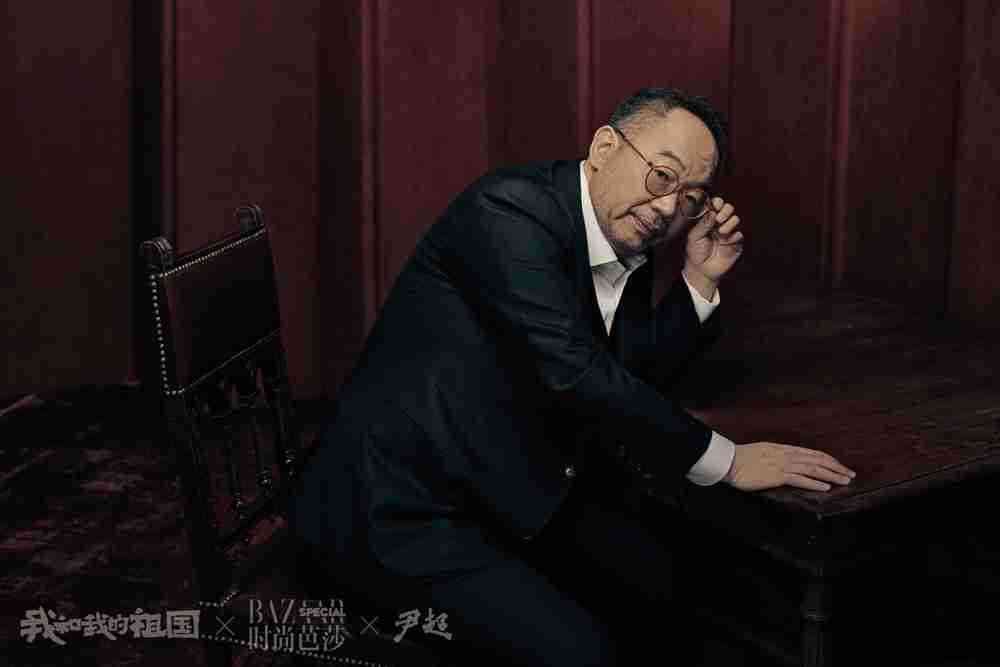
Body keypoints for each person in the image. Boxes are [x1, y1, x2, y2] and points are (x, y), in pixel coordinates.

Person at [292, 87, 856, 665]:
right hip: (398, 508)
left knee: (669, 587)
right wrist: (729, 461)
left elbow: (626, 375)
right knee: (585, 654)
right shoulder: (508, 212)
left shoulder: (624, 233)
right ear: (606, 147)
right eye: (662, 175)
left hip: (508, 482)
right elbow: (578, 374)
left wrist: (699, 280)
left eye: (691, 196)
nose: (669, 208)